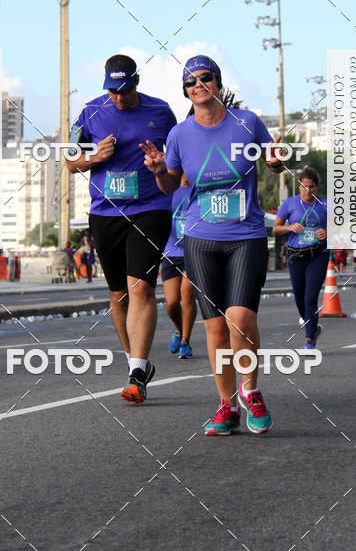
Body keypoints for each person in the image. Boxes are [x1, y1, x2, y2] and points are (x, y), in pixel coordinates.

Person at [142, 54, 283, 435]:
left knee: (240, 318)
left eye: (206, 78)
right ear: (185, 91)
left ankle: (251, 390)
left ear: (218, 83)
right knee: (216, 329)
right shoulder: (179, 135)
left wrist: (275, 159)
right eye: (191, 82)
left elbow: (273, 161)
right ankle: (226, 405)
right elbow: (172, 186)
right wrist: (159, 172)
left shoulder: (247, 122)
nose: (199, 85)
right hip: (200, 239)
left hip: (246, 237)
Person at [66, 53, 177, 403]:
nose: (118, 96)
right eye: (112, 90)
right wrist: (93, 158)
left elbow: (176, 164)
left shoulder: (161, 112)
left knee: (141, 288)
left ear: (136, 82)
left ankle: (137, 374)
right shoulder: (90, 112)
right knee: (118, 295)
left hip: (150, 209)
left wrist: (161, 165)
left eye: (124, 89)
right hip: (106, 213)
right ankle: (136, 362)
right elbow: (69, 162)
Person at [273, 166, 329, 349]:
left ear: (316, 187)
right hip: (296, 256)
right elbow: (276, 228)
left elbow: (343, 229)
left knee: (310, 298)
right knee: (299, 299)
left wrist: (327, 232)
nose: (307, 191)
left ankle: (309, 340)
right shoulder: (289, 204)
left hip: (318, 254)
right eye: (304, 186)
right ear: (299, 186)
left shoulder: (326, 205)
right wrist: (290, 228)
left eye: (311, 187)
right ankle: (313, 327)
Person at [160, 174, 197, 359]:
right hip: (170, 251)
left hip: (193, 251)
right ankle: (178, 329)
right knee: (171, 303)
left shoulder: (199, 188)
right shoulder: (168, 189)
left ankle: (185, 342)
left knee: (188, 294)